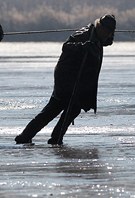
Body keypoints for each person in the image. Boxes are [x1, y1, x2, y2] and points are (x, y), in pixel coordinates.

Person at [15, 14, 116, 145]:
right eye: (107, 32)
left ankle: (47, 137)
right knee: (57, 108)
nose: (108, 35)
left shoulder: (98, 35)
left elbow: (104, 42)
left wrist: (107, 39)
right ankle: (39, 137)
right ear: (100, 27)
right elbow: (66, 46)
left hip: (77, 81)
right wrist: (83, 46)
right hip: (66, 78)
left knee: (69, 108)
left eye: (110, 33)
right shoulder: (83, 34)